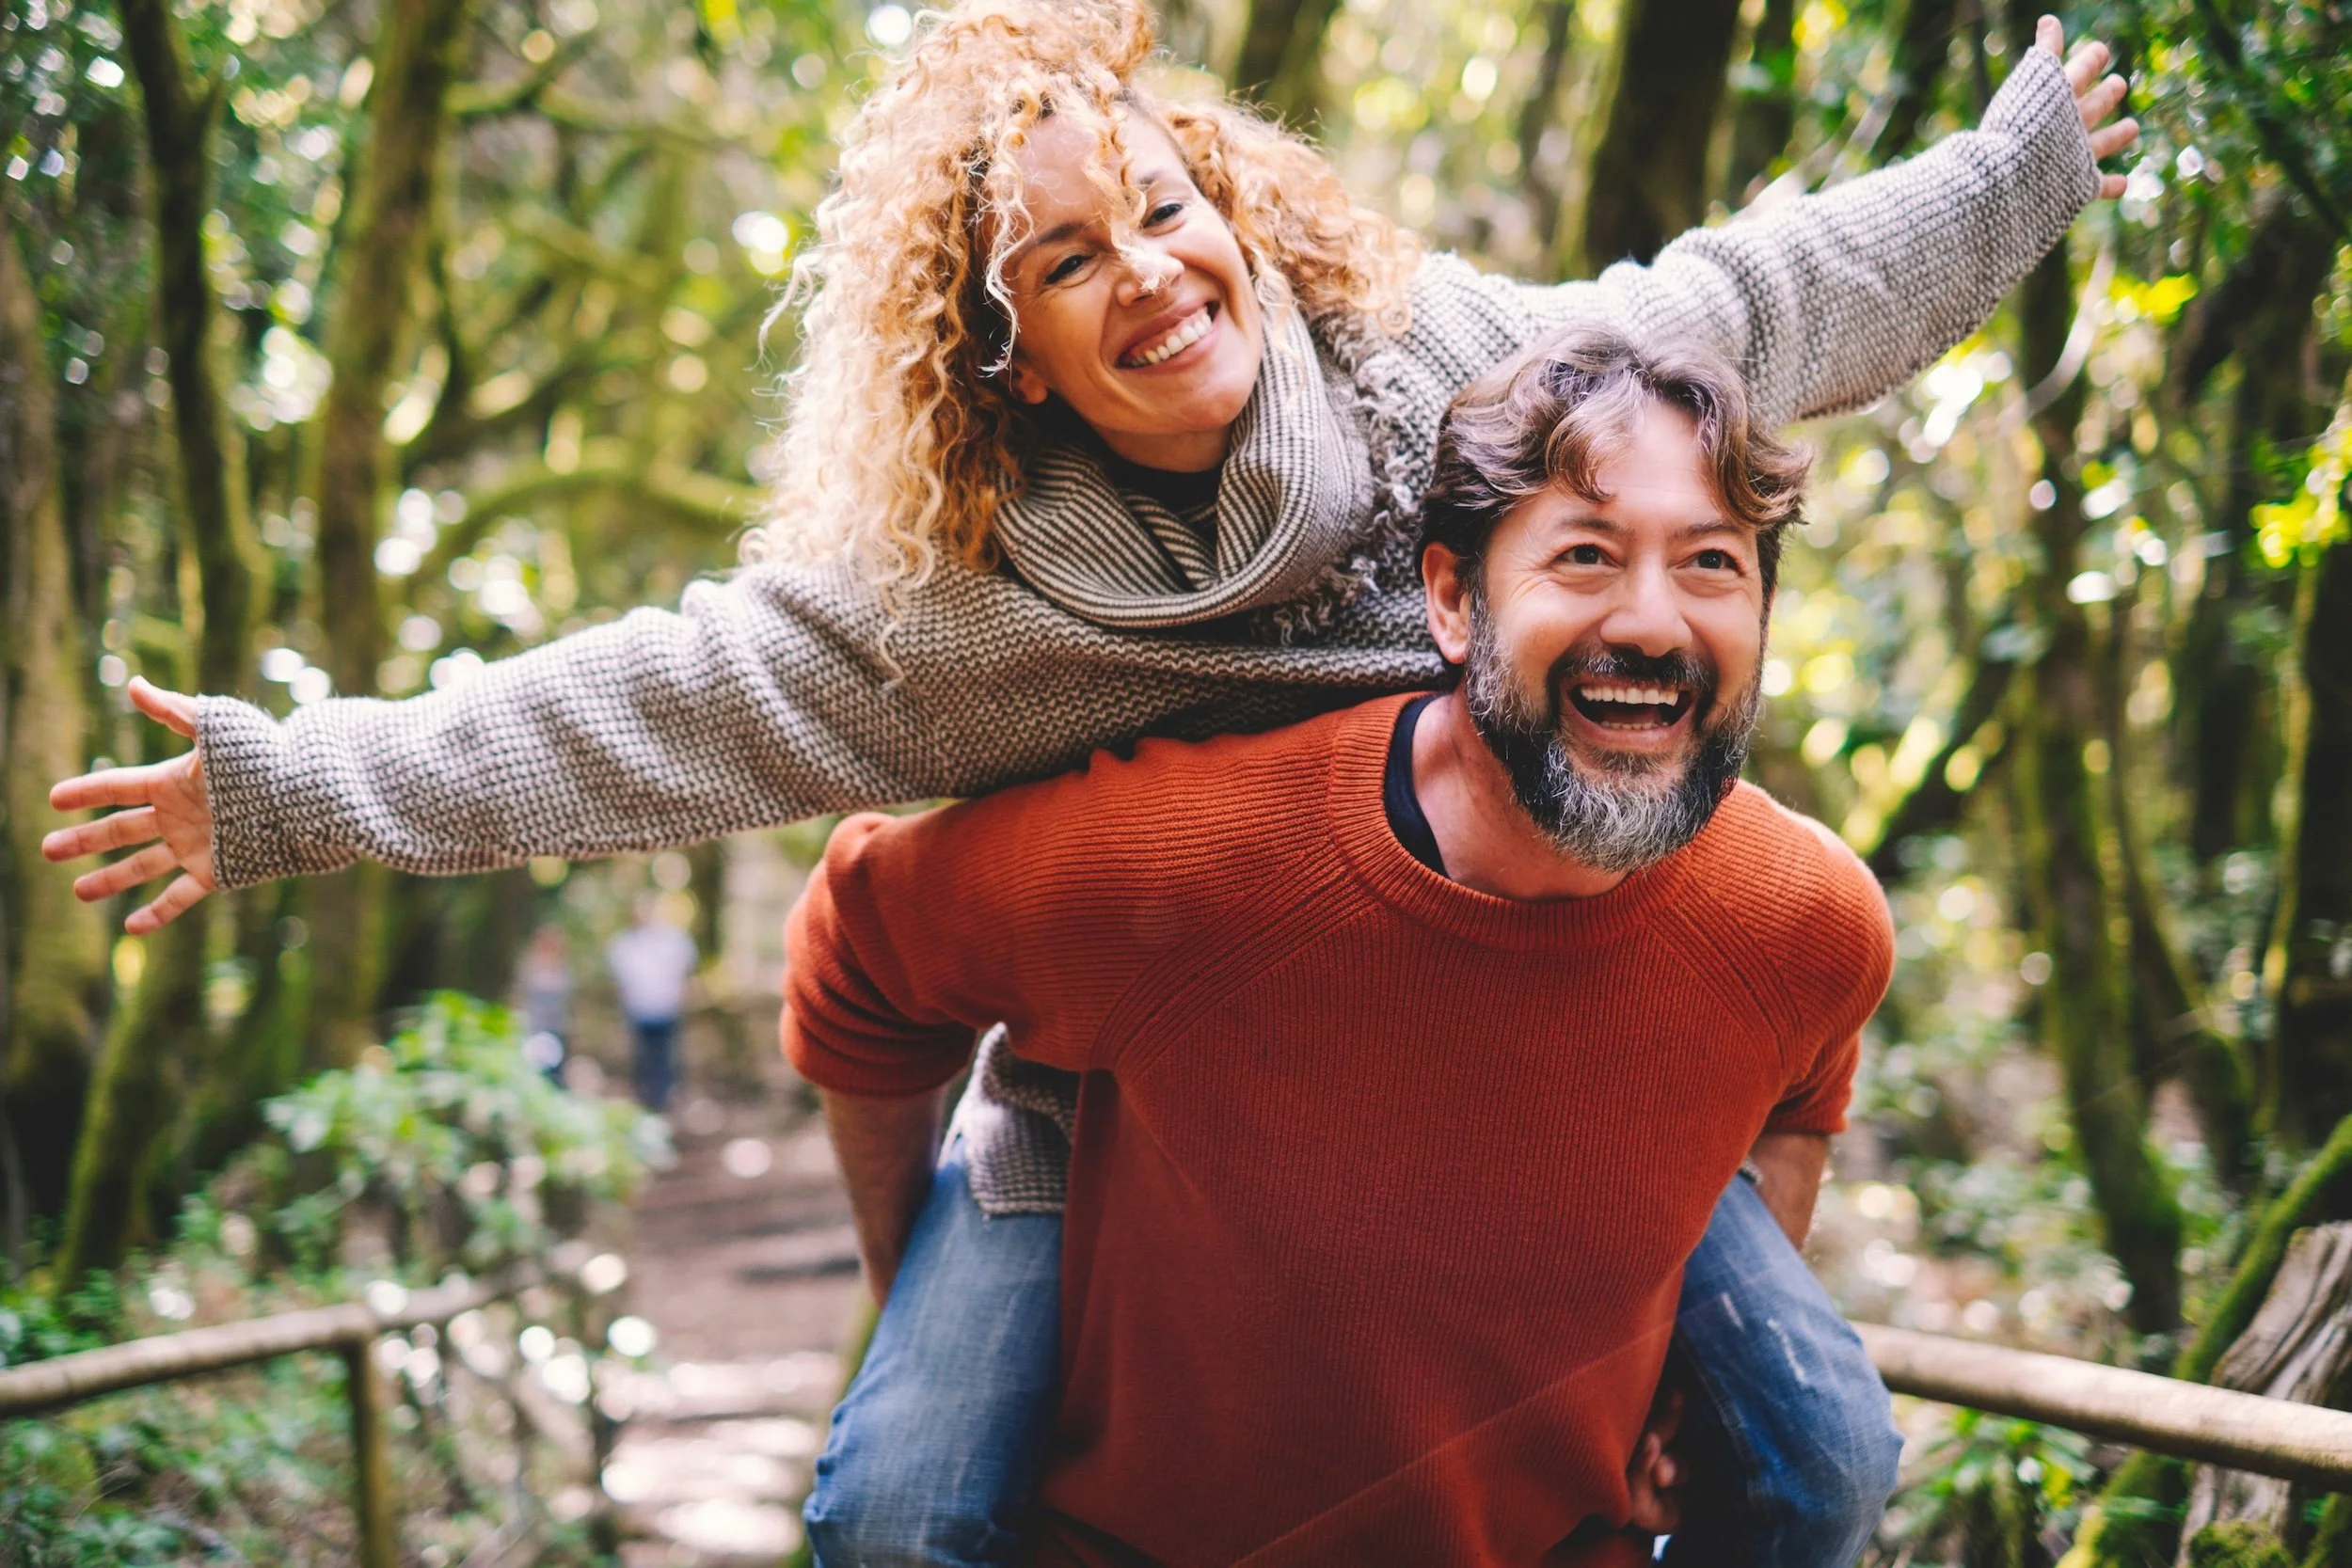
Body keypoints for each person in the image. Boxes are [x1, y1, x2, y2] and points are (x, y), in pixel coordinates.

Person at [37, 0, 2138, 1555]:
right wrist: (289, 784)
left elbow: (1746, 301)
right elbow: (641, 705)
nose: (1144, 267)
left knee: (1821, 1447)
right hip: (1117, 1057)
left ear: (1235, 212)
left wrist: (2017, 163)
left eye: (1162, 205)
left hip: (1520, 974)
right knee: (896, 1500)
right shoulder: (953, 613)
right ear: (1000, 355)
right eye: (1063, 260)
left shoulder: (1435, 372)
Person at [787, 325, 1895, 1563]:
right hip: (1136, 1528)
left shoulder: (1807, 918)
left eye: (1711, 565)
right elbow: (860, 943)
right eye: (1584, 555)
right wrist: (908, 1287)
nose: (1650, 619)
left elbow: (1804, 1085)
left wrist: (1699, 1377)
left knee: (1834, 1463)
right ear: (1451, 600)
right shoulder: (1190, 860)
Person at [607, 896, 698, 1111]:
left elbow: (686, 966)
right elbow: (620, 979)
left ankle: (663, 1101)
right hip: (639, 1010)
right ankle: (644, 1101)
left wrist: (681, 994)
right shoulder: (625, 944)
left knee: (664, 1057)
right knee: (641, 1058)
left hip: (666, 1008)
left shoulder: (672, 939)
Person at [518, 925, 575, 1084]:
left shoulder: (562, 969)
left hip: (556, 1028)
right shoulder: (530, 967)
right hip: (534, 1027)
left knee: (555, 1075)